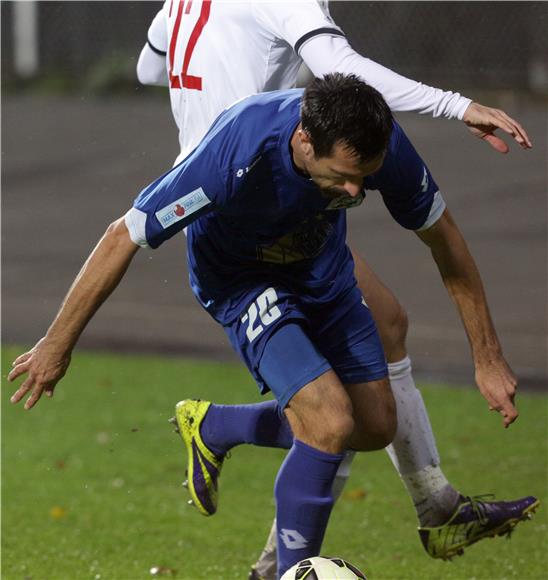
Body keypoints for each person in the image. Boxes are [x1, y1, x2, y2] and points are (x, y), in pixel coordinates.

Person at [8, 75, 538, 578]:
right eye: (344, 177)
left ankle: (217, 427)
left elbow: (443, 237)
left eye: (365, 177)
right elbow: (123, 234)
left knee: (375, 425)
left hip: (323, 273)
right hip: (243, 284)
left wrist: (487, 356)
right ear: (305, 142)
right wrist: (57, 345)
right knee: (328, 421)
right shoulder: (236, 153)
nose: (356, 192)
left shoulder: (380, 145)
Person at [135, 1, 537, 576]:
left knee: (389, 324)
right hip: (257, 191)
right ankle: (282, 563)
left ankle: (432, 502)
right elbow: (336, 63)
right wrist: (457, 104)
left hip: (255, 186)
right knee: (329, 412)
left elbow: (151, 68)